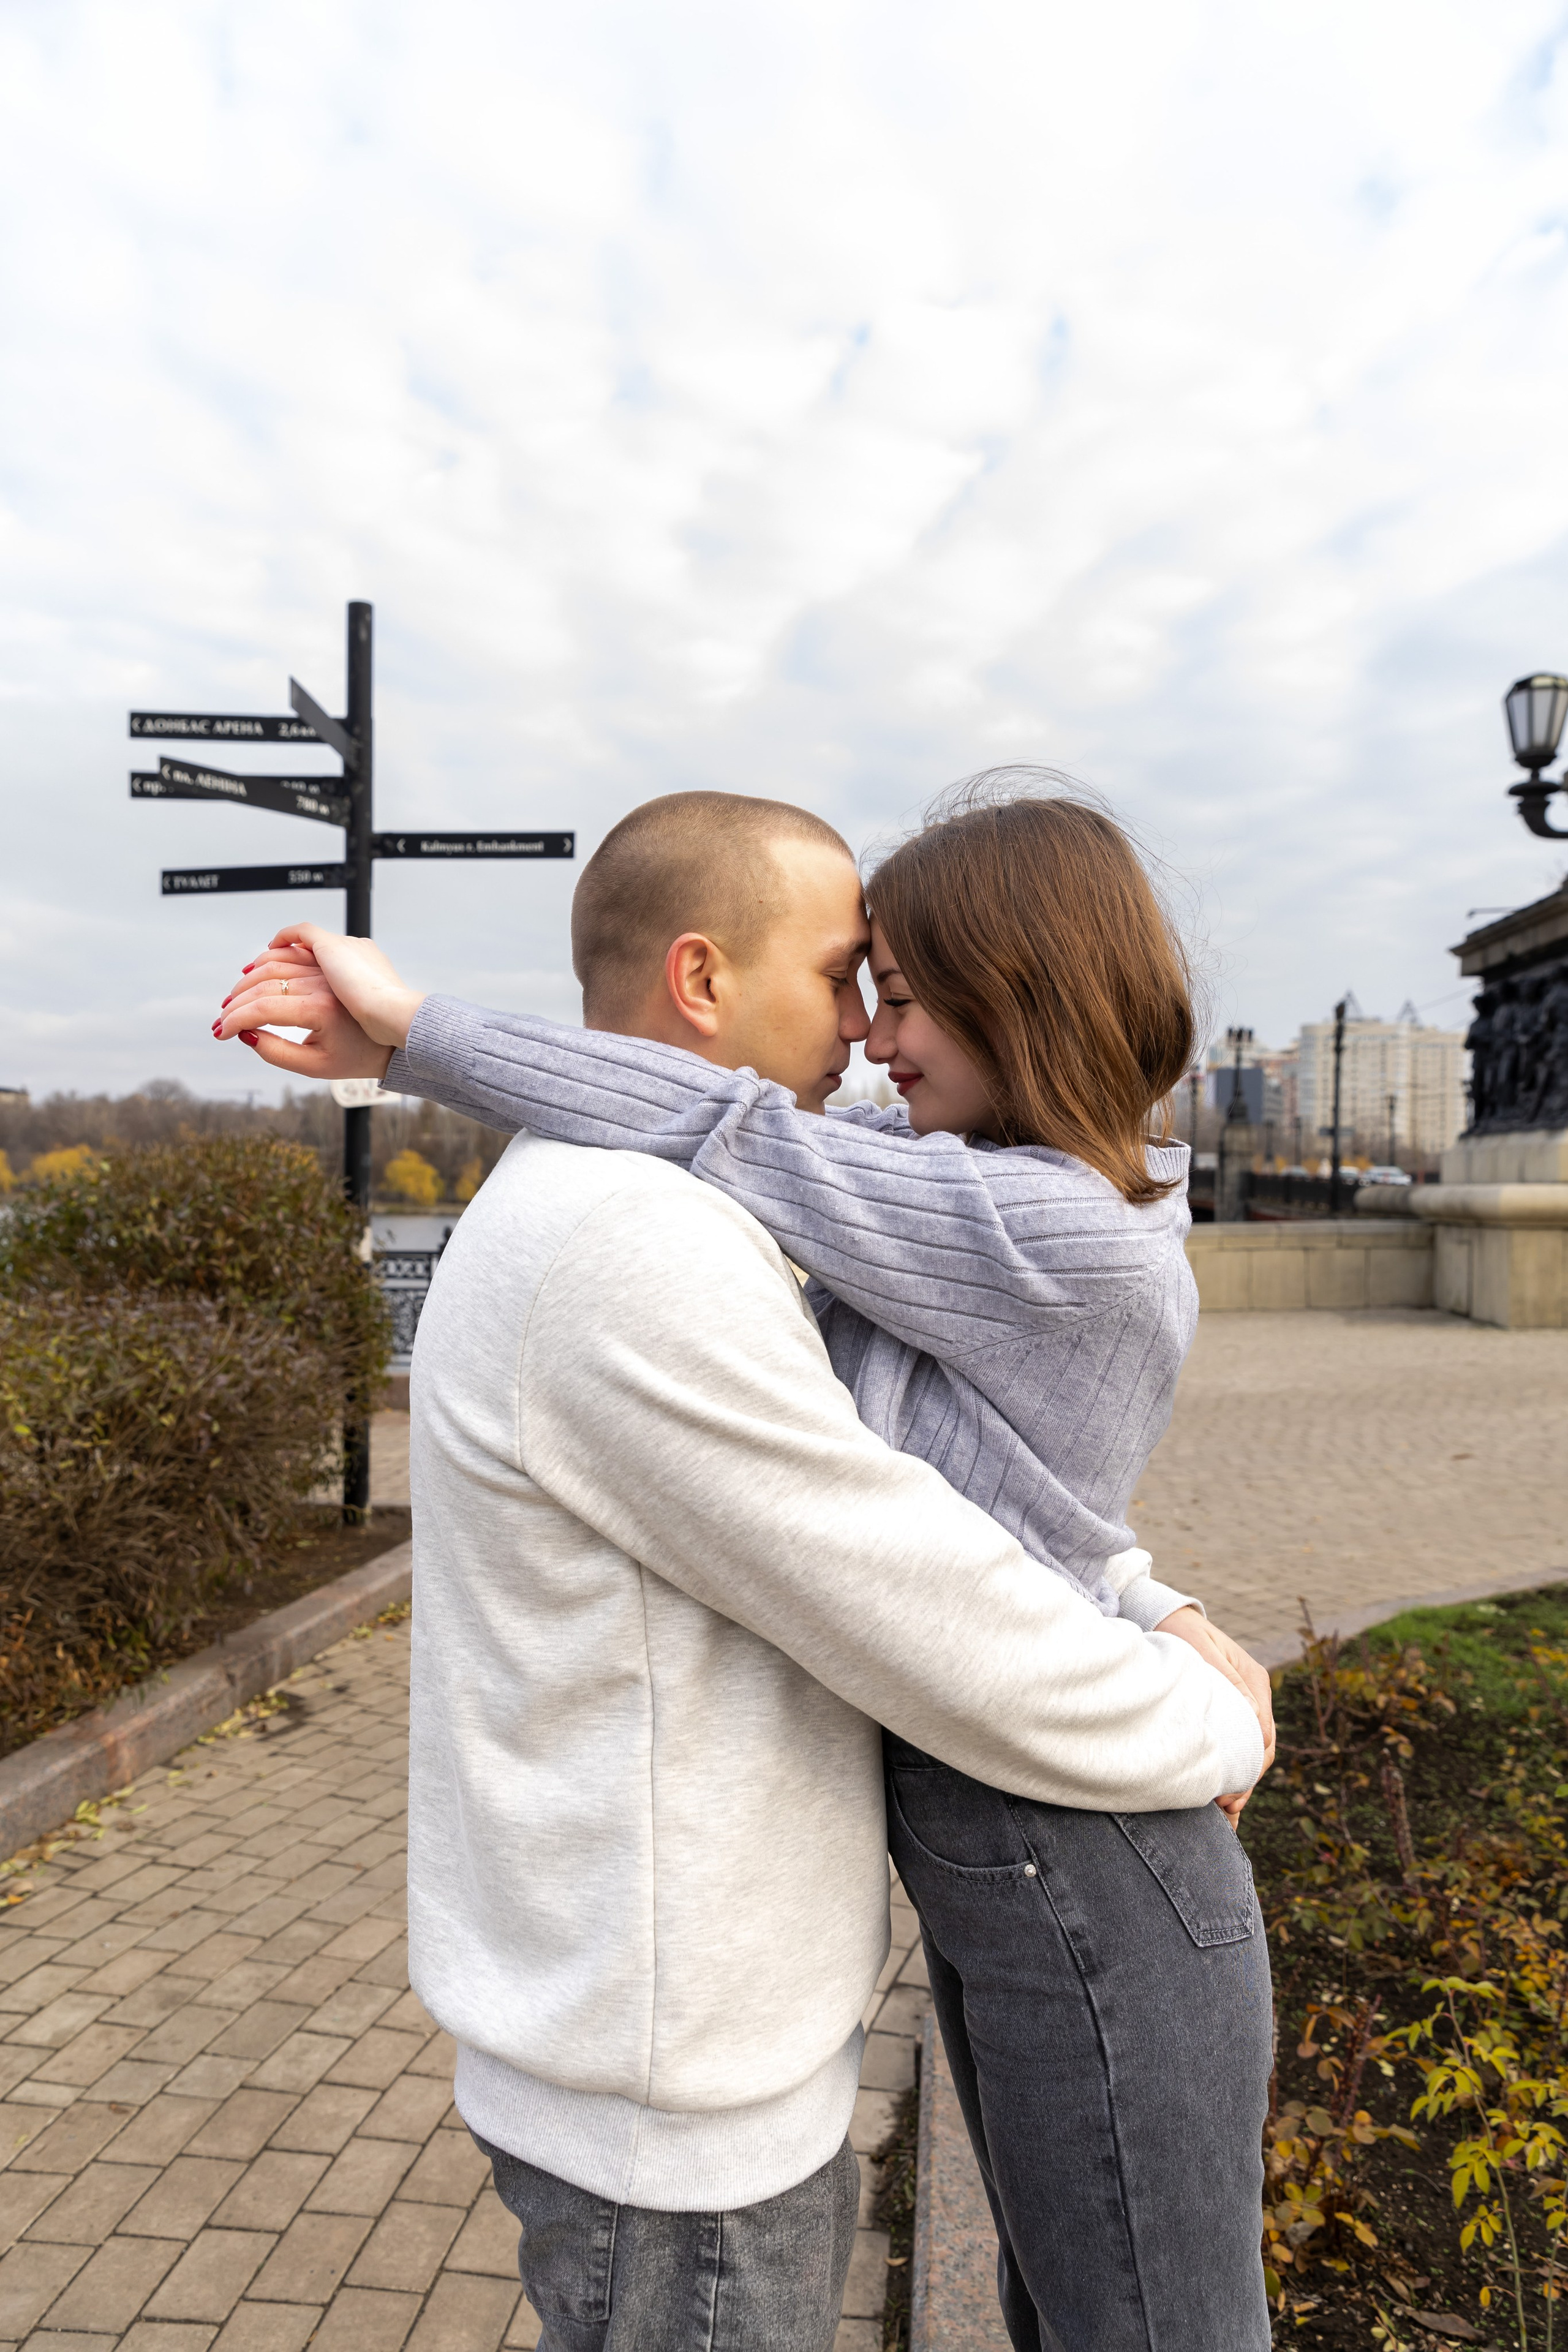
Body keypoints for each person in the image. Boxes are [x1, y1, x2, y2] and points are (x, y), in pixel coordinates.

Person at [214, 784, 1273, 2352]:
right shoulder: (633, 1240)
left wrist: (1165, 1642)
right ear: (703, 979)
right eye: (849, 979)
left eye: (891, 993)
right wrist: (1201, 1703)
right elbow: (914, 1582)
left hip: (983, 1905)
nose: (860, 1032)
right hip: (682, 2075)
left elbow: (935, 1535)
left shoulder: (975, 1217)